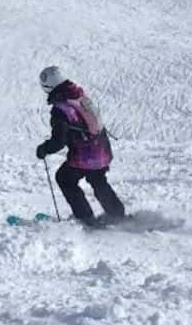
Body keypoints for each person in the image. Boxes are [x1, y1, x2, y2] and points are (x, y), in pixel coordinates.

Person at [34, 66, 125, 227]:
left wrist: (44, 149)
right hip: (103, 149)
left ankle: (86, 219)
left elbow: (58, 142)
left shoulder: (60, 109)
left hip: (87, 155)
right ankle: (117, 215)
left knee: (64, 178)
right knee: (97, 179)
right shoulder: (78, 95)